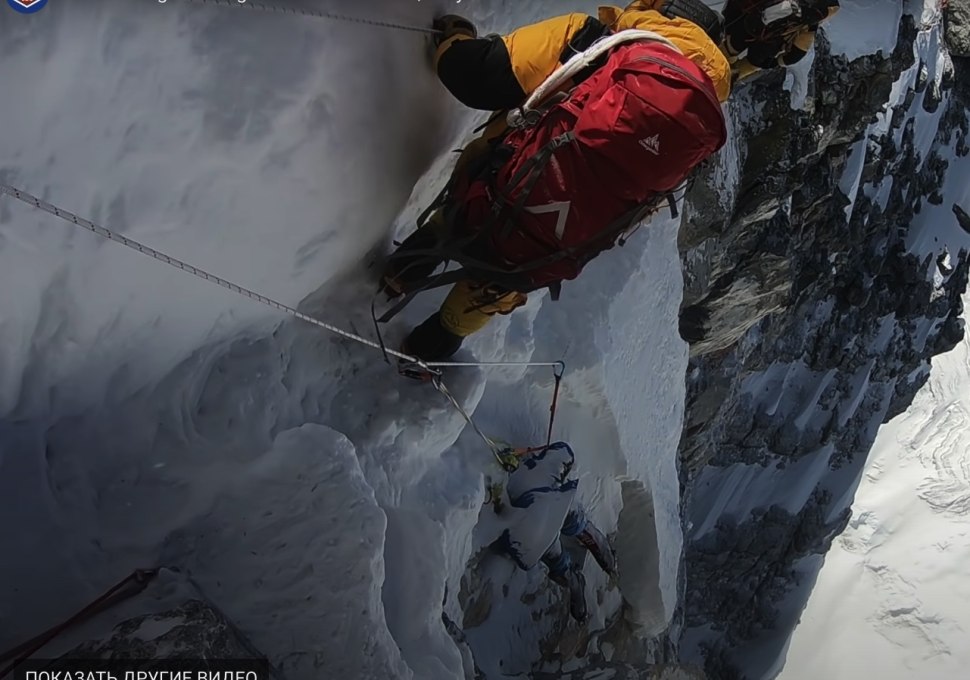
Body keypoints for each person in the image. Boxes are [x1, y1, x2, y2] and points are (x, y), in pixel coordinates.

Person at [379, 1, 731, 376]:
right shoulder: (698, 127)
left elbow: (478, 76)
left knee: (467, 209)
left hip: (498, 186)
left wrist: (453, 38)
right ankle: (424, 353)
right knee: (497, 276)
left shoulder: (596, 41)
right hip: (550, 249)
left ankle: (400, 273)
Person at [493, 441, 616, 623]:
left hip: (529, 539)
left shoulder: (528, 475)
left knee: (556, 558)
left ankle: (574, 580)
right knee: (573, 518)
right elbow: (563, 451)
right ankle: (598, 549)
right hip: (548, 513)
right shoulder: (540, 470)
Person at [721, 0, 840, 82]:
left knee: (729, 48)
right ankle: (725, 82)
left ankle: (712, 67)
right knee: (750, 64)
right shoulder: (823, 9)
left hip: (746, 19)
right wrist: (778, 61)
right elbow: (798, 50)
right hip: (771, 42)